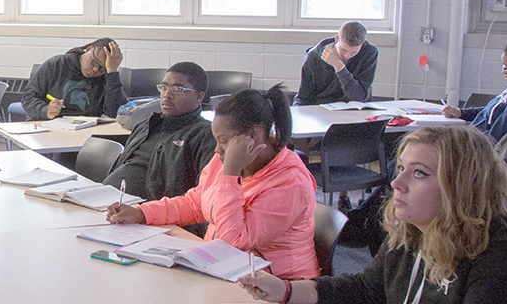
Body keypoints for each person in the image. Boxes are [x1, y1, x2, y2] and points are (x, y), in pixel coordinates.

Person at [237, 126, 507, 304]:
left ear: (461, 187)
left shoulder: (506, 260)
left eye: (419, 174)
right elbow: (367, 289)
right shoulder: (415, 230)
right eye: (401, 168)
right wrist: (287, 289)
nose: (396, 183)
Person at [106, 85, 320, 280]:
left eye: (224, 141)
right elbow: (196, 203)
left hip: (277, 285)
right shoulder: (226, 160)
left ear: (253, 135)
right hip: (227, 272)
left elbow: (232, 243)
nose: (217, 150)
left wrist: (231, 175)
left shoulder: (290, 182)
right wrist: (141, 213)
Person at [103, 62, 218, 205]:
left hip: (150, 217)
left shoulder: (206, 136)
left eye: (178, 89)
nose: (167, 95)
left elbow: (201, 197)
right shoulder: (146, 125)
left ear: (199, 97)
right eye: (163, 87)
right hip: (107, 205)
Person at [21, 38, 128, 121]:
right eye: (94, 62)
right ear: (89, 49)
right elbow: (28, 97)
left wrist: (112, 72)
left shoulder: (107, 78)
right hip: (49, 126)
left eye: (102, 69)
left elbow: (115, 113)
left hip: (86, 131)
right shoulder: (56, 64)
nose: (95, 70)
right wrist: (45, 110)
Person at [294, 21, 378, 106]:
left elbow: (359, 97)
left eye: (354, 52)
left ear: (362, 44)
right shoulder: (313, 56)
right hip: (322, 109)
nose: (347, 56)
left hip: (355, 109)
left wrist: (339, 67)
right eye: (344, 50)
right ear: (337, 38)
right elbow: (303, 96)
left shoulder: (369, 53)